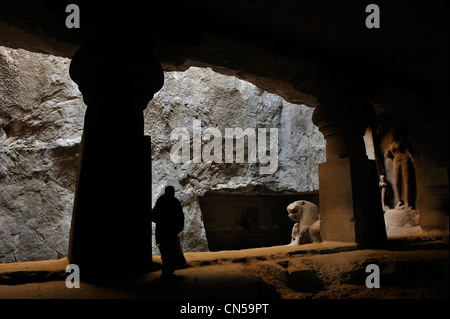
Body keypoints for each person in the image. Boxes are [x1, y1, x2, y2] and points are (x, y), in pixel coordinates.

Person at [151, 186, 187, 280]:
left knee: (166, 254)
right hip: (170, 232)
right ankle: (167, 274)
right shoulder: (174, 201)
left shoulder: (161, 201)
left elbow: (154, 215)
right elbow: (180, 216)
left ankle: (167, 274)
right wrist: (178, 228)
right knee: (171, 254)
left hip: (162, 232)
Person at [384, 136, 415, 209]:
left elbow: (407, 150)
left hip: (404, 159)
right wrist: (387, 153)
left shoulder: (401, 141)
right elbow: (388, 153)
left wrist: (412, 158)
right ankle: (399, 201)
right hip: (396, 161)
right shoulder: (391, 144)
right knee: (397, 182)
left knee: (406, 181)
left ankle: (408, 202)